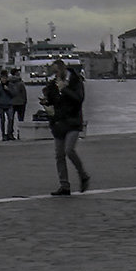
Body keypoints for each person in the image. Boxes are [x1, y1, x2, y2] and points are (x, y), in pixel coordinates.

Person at [41, 59, 91, 196]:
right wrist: (46, 100)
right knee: (59, 155)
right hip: (59, 123)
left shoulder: (76, 81)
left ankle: (83, 175)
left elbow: (79, 99)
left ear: (63, 70)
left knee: (69, 150)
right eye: (54, 73)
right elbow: (53, 100)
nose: (55, 75)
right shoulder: (54, 84)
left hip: (73, 121)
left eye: (57, 72)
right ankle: (64, 185)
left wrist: (65, 89)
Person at [0, 69, 16, 141]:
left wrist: (8, 89)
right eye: (3, 78)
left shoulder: (10, 85)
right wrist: (1, 87)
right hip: (0, 105)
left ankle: (10, 133)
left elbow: (14, 94)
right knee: (2, 120)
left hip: (9, 104)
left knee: (11, 119)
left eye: (5, 78)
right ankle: (3, 134)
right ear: (0, 78)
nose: (4, 79)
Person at [8, 67, 28, 139]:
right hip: (20, 103)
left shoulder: (8, 82)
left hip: (11, 103)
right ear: (16, 73)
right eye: (18, 72)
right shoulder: (20, 83)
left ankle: (10, 134)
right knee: (21, 120)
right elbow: (24, 93)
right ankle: (20, 134)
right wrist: (25, 101)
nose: (19, 73)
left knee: (10, 119)